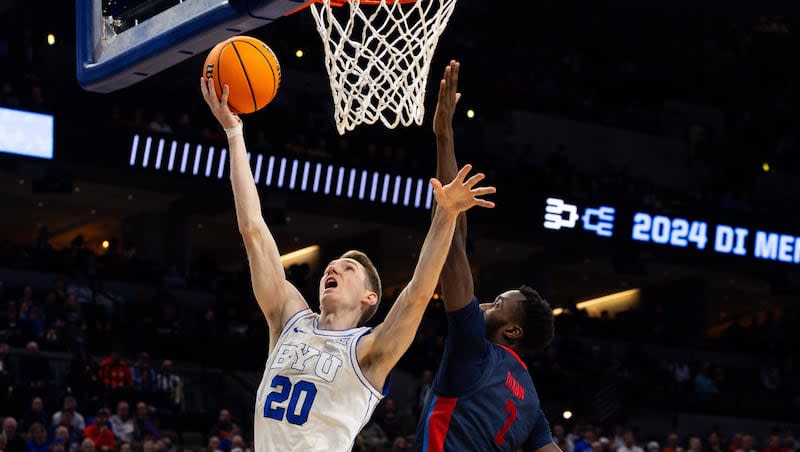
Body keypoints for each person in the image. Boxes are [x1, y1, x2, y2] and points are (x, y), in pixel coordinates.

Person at [200, 77, 496, 452]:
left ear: (370, 298)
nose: (332, 269)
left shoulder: (369, 351)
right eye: (333, 266)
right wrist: (233, 133)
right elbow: (253, 230)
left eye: (348, 268)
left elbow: (419, 292)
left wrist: (447, 214)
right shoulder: (288, 319)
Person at [413, 60, 559, 452]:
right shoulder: (530, 401)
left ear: (512, 331)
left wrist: (443, 138)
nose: (486, 303)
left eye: (497, 304)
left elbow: (451, 250)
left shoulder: (474, 349)